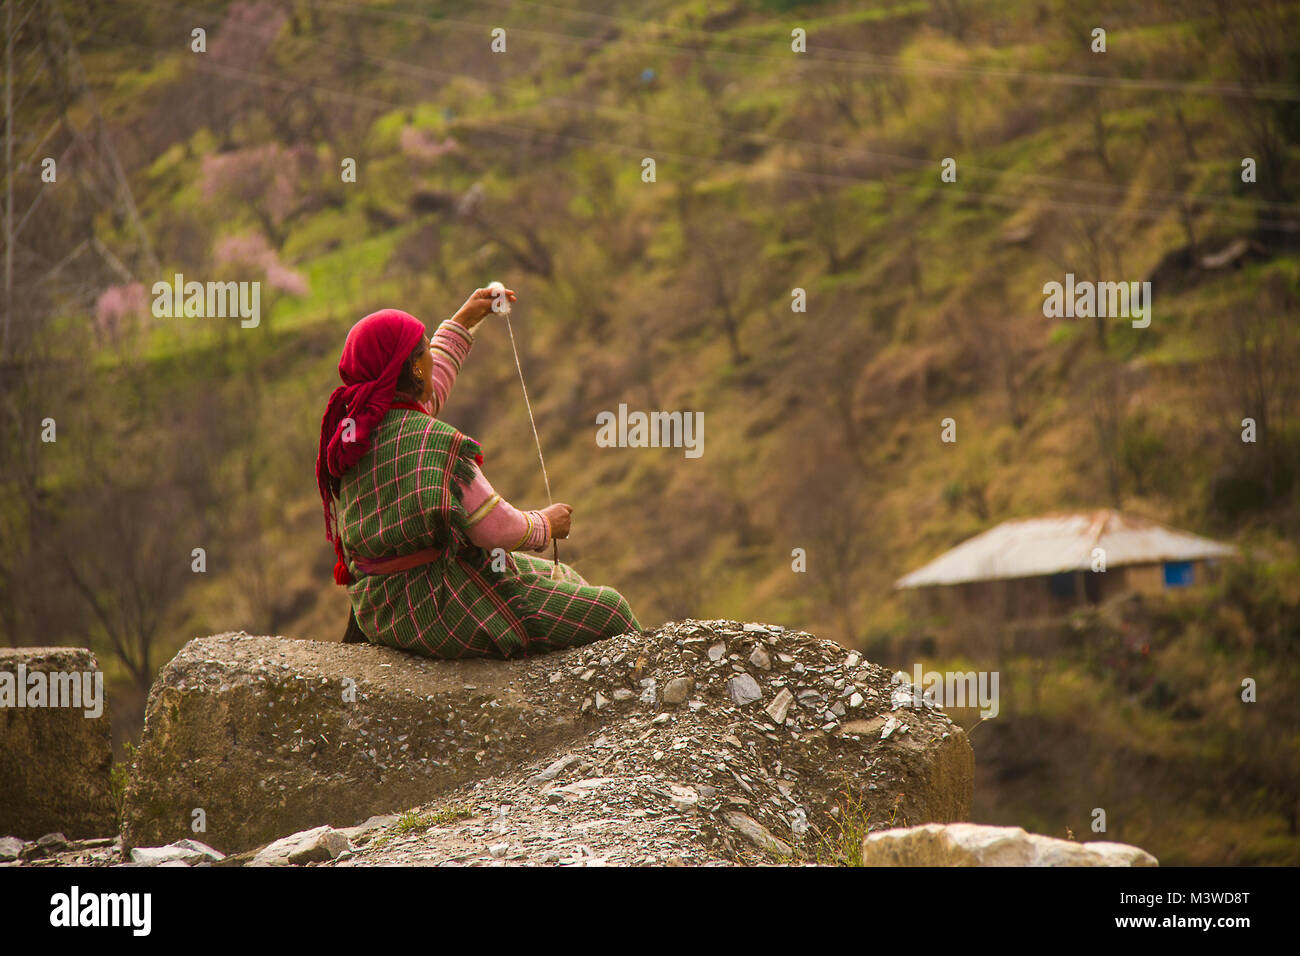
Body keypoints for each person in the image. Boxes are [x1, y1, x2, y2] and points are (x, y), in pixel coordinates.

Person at [314, 289, 641, 659]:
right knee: (610, 609)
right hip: (437, 604)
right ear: (414, 368)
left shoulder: (355, 432)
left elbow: (425, 396)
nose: (431, 362)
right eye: (424, 353)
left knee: (563, 578)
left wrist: (464, 321)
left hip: (380, 606)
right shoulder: (435, 443)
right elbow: (495, 531)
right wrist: (547, 524)